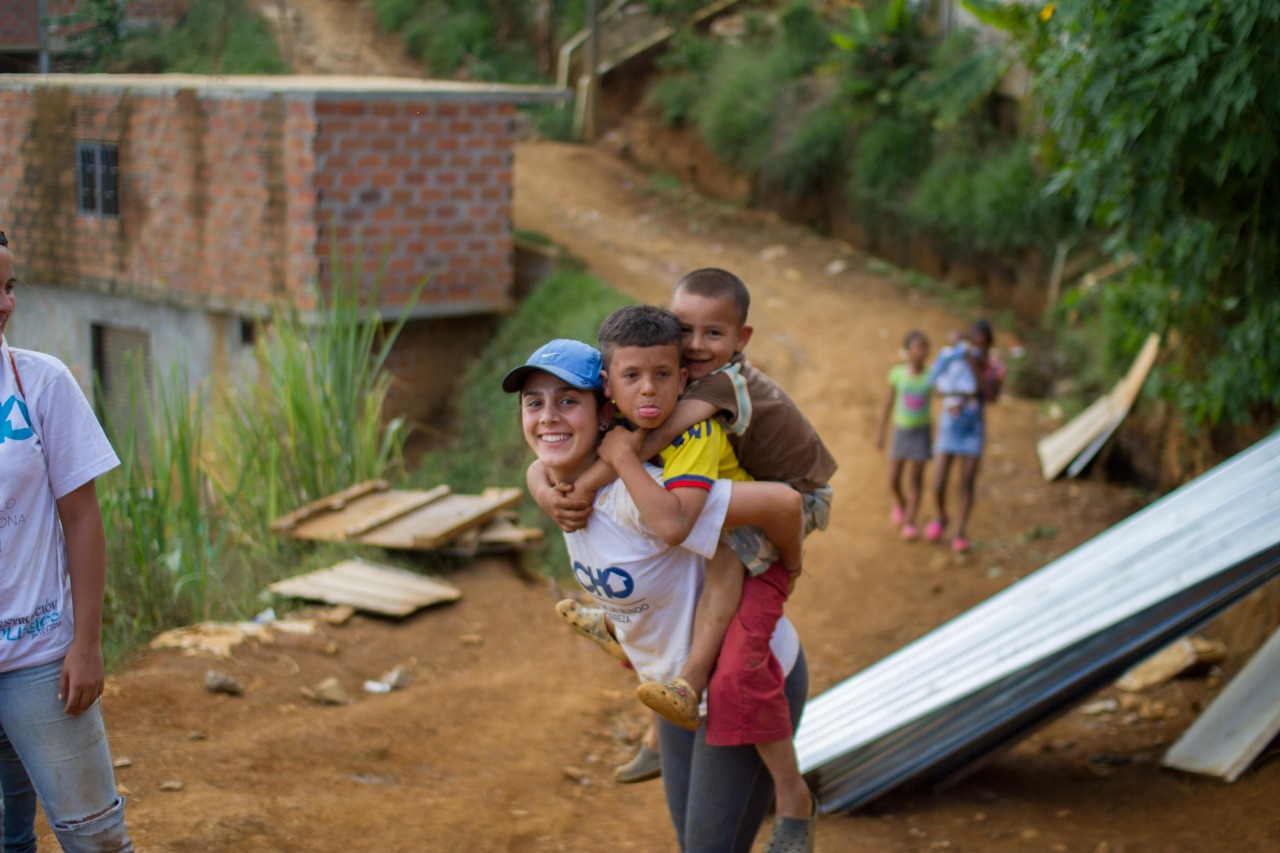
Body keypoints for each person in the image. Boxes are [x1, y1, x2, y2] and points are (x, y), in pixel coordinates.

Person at [535, 273, 835, 821]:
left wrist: (588, 483)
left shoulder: (718, 386)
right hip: (747, 491)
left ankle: (785, 788)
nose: (696, 345)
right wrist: (546, 486)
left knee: (727, 571)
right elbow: (553, 459)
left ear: (741, 339)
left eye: (712, 333)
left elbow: (650, 440)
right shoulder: (678, 379)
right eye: (685, 330)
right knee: (651, 601)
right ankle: (642, 686)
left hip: (800, 493)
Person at [0, 229, 135, 852]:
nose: (6, 303)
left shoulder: (42, 384)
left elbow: (82, 518)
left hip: (39, 661)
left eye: (9, 286)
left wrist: (86, 643)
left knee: (95, 838)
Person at [923, 318, 1004, 554]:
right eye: (975, 339)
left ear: (988, 343)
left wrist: (972, 363)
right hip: (950, 424)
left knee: (967, 483)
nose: (978, 344)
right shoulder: (955, 357)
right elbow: (936, 386)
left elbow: (989, 394)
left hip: (973, 429)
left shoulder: (994, 367)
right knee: (938, 482)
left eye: (982, 341)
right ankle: (940, 517)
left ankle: (959, 532)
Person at [875, 330, 932, 540]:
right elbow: (888, 403)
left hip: (921, 432)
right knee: (894, 479)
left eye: (925, 347)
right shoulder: (898, 373)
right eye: (918, 347)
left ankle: (910, 521)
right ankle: (902, 504)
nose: (922, 351)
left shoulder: (931, 375)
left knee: (916, 479)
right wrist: (881, 431)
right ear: (908, 350)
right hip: (901, 431)